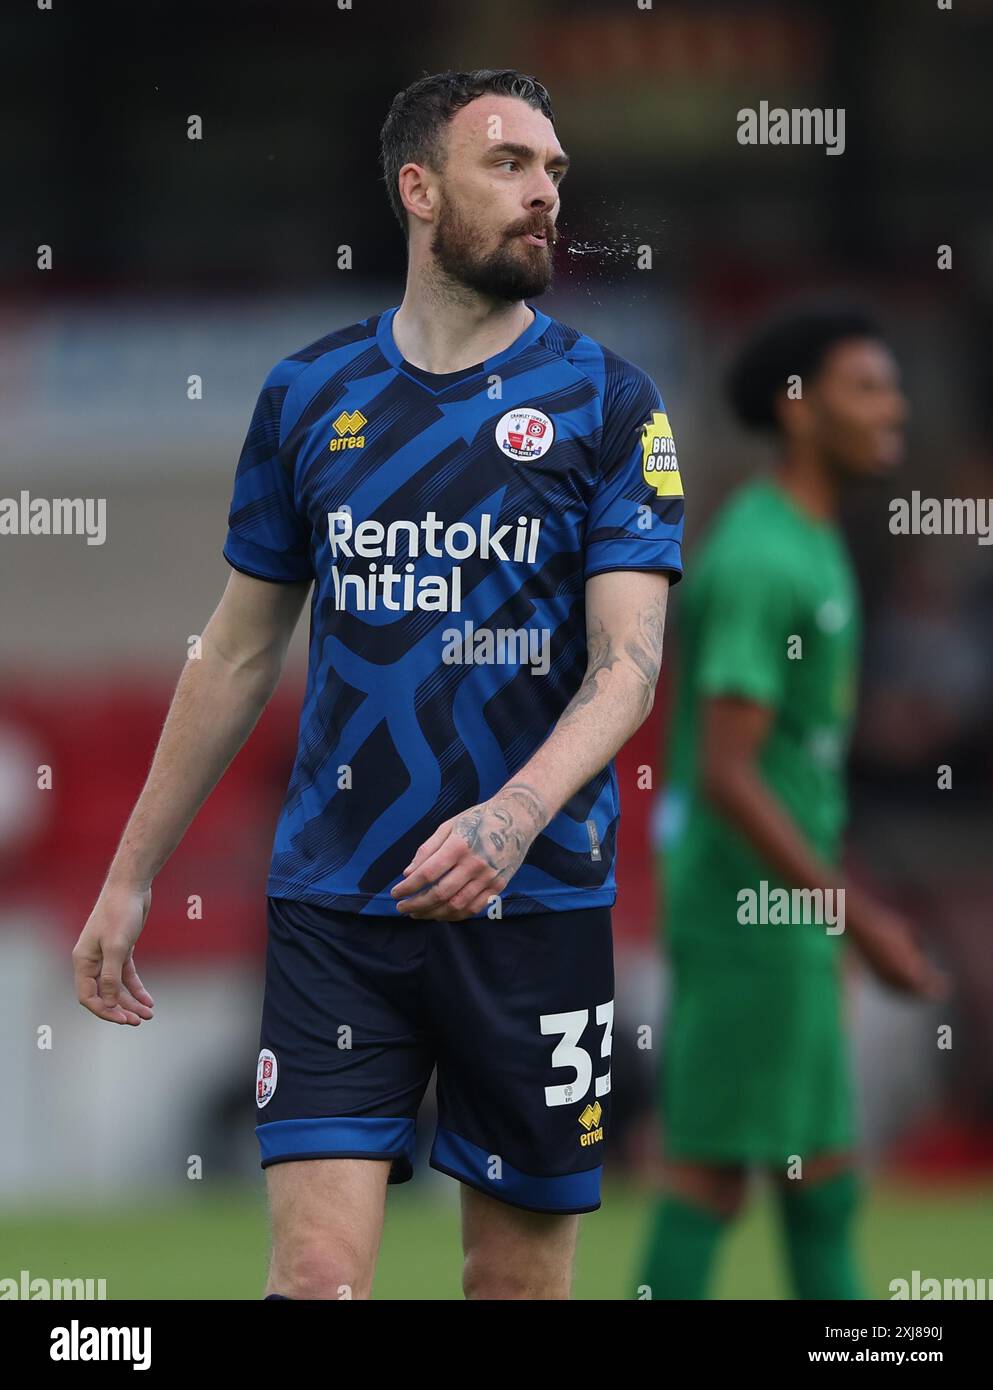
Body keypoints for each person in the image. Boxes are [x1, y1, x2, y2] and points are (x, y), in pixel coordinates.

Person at [72, 68, 685, 1301]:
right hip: (337, 908)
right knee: (314, 1282)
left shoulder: (609, 404)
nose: (543, 195)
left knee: (511, 1288)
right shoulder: (310, 395)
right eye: (509, 164)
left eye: (555, 173)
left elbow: (627, 667)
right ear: (419, 189)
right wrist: (130, 873)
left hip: (536, 907)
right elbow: (239, 648)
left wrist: (510, 822)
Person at [640, 307, 947, 1300]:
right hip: (748, 916)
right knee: (714, 1171)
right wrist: (855, 919)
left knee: (819, 1172)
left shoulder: (813, 543)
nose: (891, 405)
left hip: (787, 917)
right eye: (866, 386)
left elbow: (796, 762)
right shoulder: (763, 559)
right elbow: (729, 773)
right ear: (798, 408)